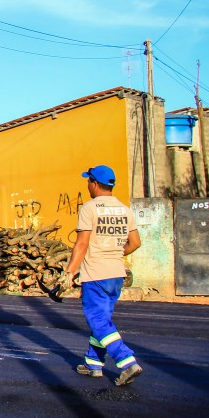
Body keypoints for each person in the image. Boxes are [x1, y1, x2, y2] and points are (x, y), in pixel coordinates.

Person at [60, 165, 143, 386]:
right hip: (116, 274)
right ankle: (93, 364)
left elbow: (81, 244)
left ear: (95, 184)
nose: (87, 185)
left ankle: (126, 362)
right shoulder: (125, 210)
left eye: (88, 181)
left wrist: (69, 272)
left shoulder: (90, 209)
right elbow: (135, 243)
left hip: (95, 274)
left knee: (97, 321)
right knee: (102, 322)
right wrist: (114, 254)